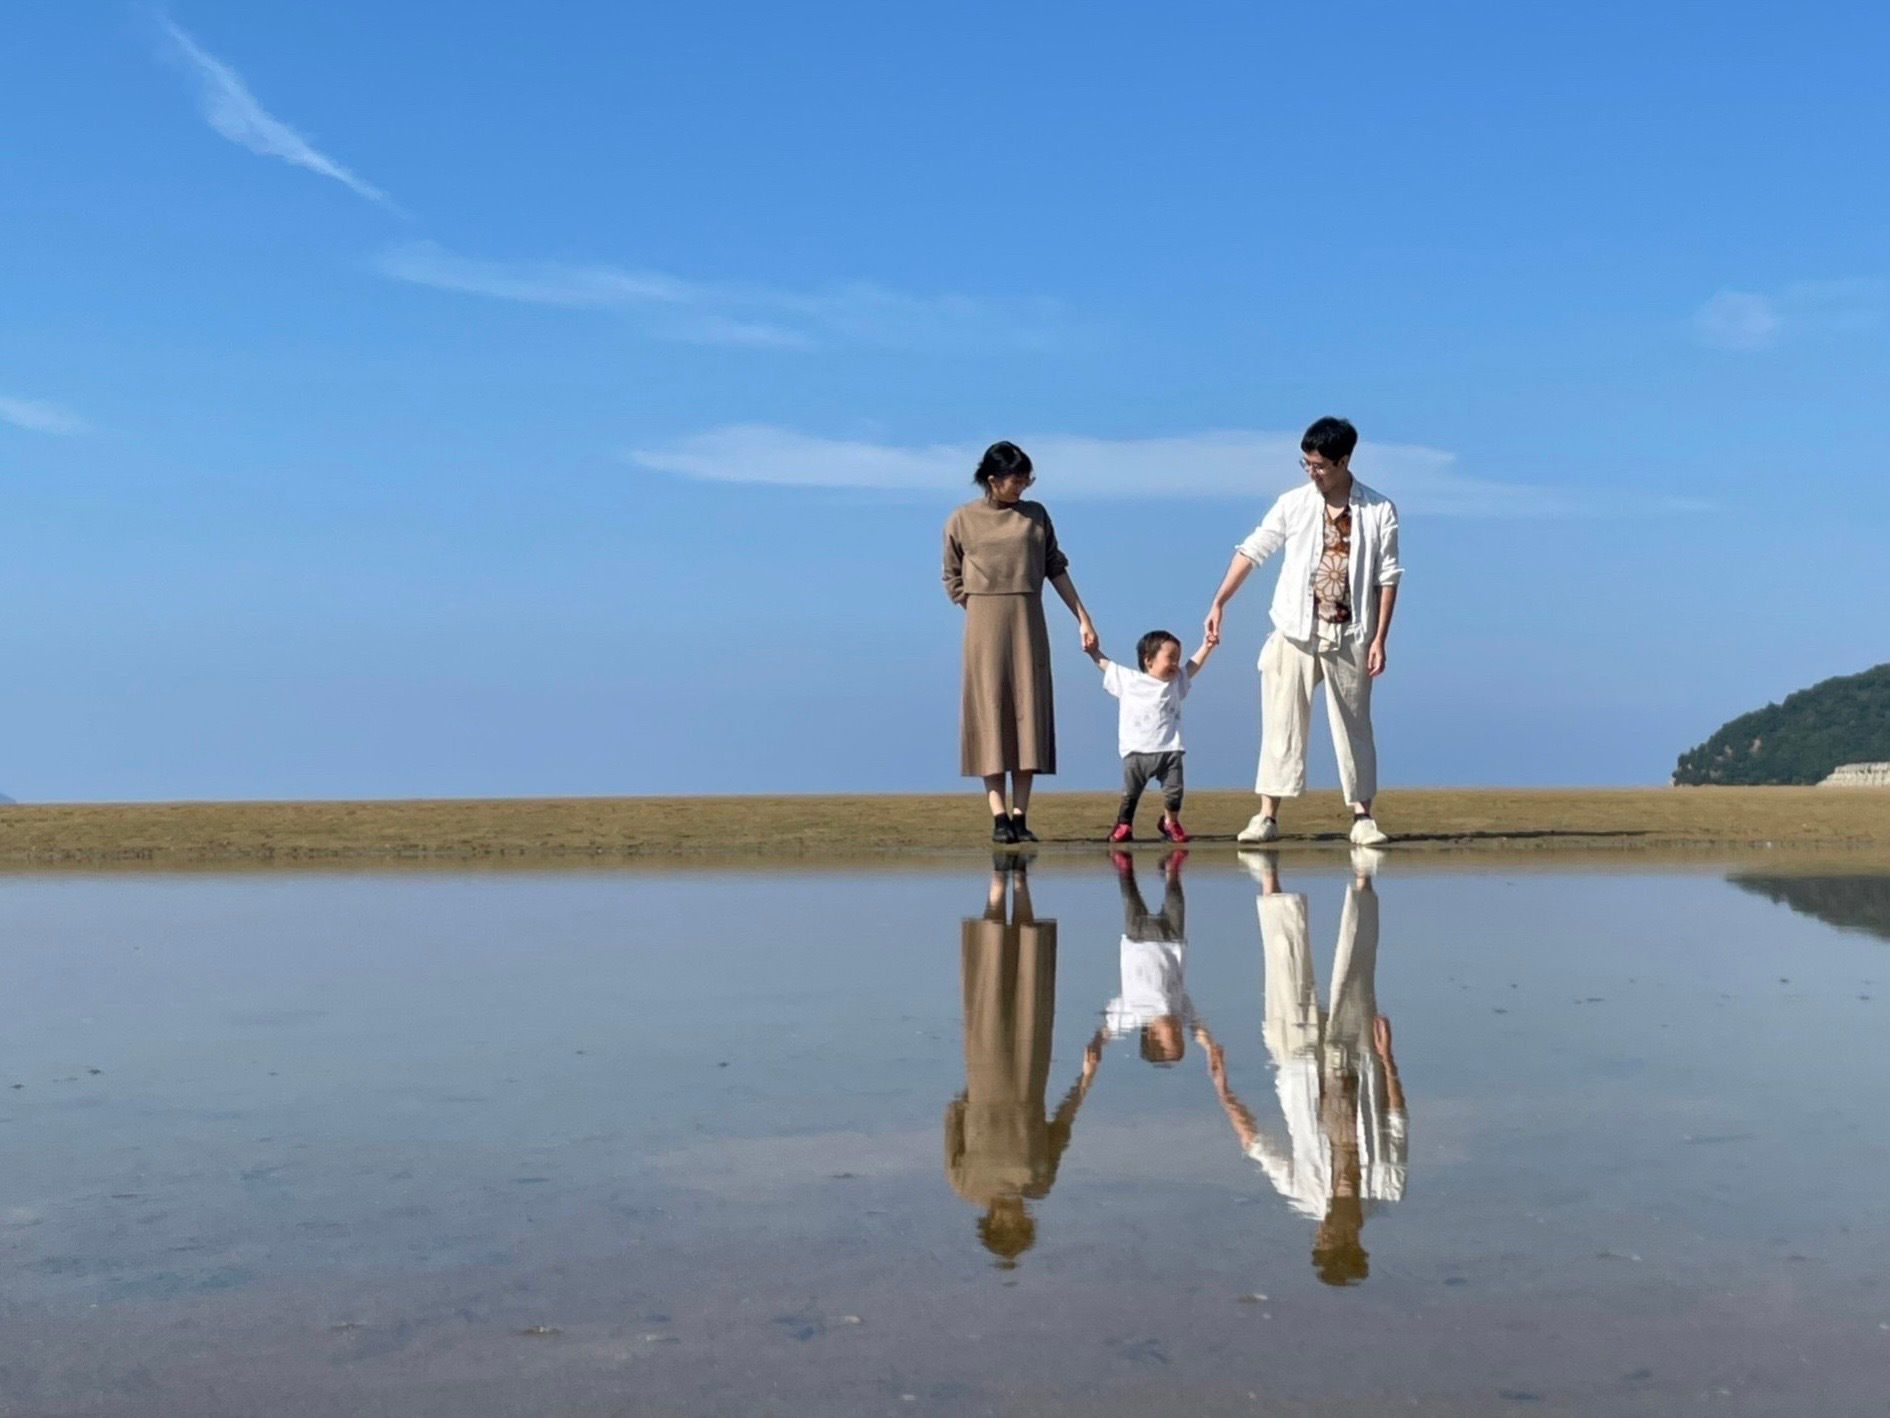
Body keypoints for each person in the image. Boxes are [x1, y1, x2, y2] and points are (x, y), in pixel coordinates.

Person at [1199, 848, 1408, 1286]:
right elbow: (1394, 1120)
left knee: (1283, 961)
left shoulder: (1302, 1193)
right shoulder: (1386, 1188)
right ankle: (1362, 876)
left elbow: (1257, 1146)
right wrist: (1388, 1059)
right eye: (1336, 1242)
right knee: (1356, 969)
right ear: (1354, 1241)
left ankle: (1269, 877)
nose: (1328, 1232)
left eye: (1324, 1241)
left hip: (1297, 1060)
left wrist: (1223, 1092)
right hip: (1358, 1065)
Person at [1201, 417, 1403, 847]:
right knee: (1280, 724)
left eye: (1319, 465)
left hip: (1351, 632)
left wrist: (1380, 639)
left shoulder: (1379, 509)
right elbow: (1254, 548)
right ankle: (1266, 816)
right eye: (1305, 463)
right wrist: (1219, 601)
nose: (1311, 472)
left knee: (1354, 726)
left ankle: (1362, 816)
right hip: (1293, 628)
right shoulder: (1293, 503)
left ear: (1344, 460)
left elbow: (1388, 576)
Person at [943, 854, 1104, 1264]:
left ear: (991, 1222)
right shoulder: (1039, 1183)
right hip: (1029, 1075)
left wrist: (971, 1094)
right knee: (1029, 985)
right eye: (1018, 1227)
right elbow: (1061, 1127)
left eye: (1006, 1227)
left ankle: (998, 885)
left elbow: (951, 1119)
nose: (1013, 1219)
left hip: (986, 1075)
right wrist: (1084, 1079)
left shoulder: (964, 1185)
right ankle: (1018, 885)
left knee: (988, 989)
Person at [944, 442, 1099, 844]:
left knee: (1027, 712)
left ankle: (1020, 815)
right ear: (992, 480)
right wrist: (976, 605)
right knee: (990, 713)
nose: (1023, 485)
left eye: (1027, 478)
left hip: (1029, 615)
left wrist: (1082, 617)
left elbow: (1055, 568)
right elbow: (951, 577)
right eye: (1017, 479)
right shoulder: (962, 519)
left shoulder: (1036, 515)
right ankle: (998, 818)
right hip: (983, 621)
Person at [1087, 629, 1216, 843]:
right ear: (1148, 660)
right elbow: (1107, 666)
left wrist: (1207, 646)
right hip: (1136, 751)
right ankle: (1124, 824)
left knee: (1174, 793)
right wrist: (1093, 651)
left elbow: (1192, 667)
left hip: (1170, 749)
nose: (1176, 664)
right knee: (1130, 794)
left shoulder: (1175, 682)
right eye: (1170, 658)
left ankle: (1170, 822)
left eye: (1177, 659)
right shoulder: (1130, 680)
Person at [1101, 848, 1193, 1064]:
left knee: (1130, 898)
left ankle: (1124, 869)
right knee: (1176, 900)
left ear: (1152, 1034)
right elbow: (1197, 1025)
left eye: (1174, 1037)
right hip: (1172, 941)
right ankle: (1172, 872)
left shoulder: (1132, 1014)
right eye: (1182, 1036)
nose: (1180, 1031)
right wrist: (1209, 1046)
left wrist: (1096, 1046)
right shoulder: (1180, 1012)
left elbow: (1107, 1029)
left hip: (1138, 940)